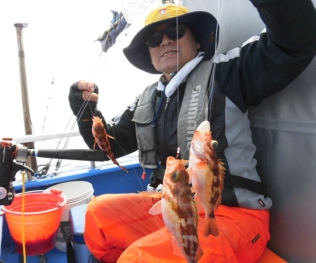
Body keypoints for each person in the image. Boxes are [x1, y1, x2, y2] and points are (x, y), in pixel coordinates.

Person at [68, 1, 316, 262]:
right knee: (97, 214)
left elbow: (296, 42)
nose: (164, 41)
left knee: (138, 258)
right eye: (154, 39)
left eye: (175, 32)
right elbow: (112, 147)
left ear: (197, 41)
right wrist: (84, 112)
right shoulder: (146, 99)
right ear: (150, 54)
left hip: (231, 215)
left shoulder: (228, 73)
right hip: (174, 208)